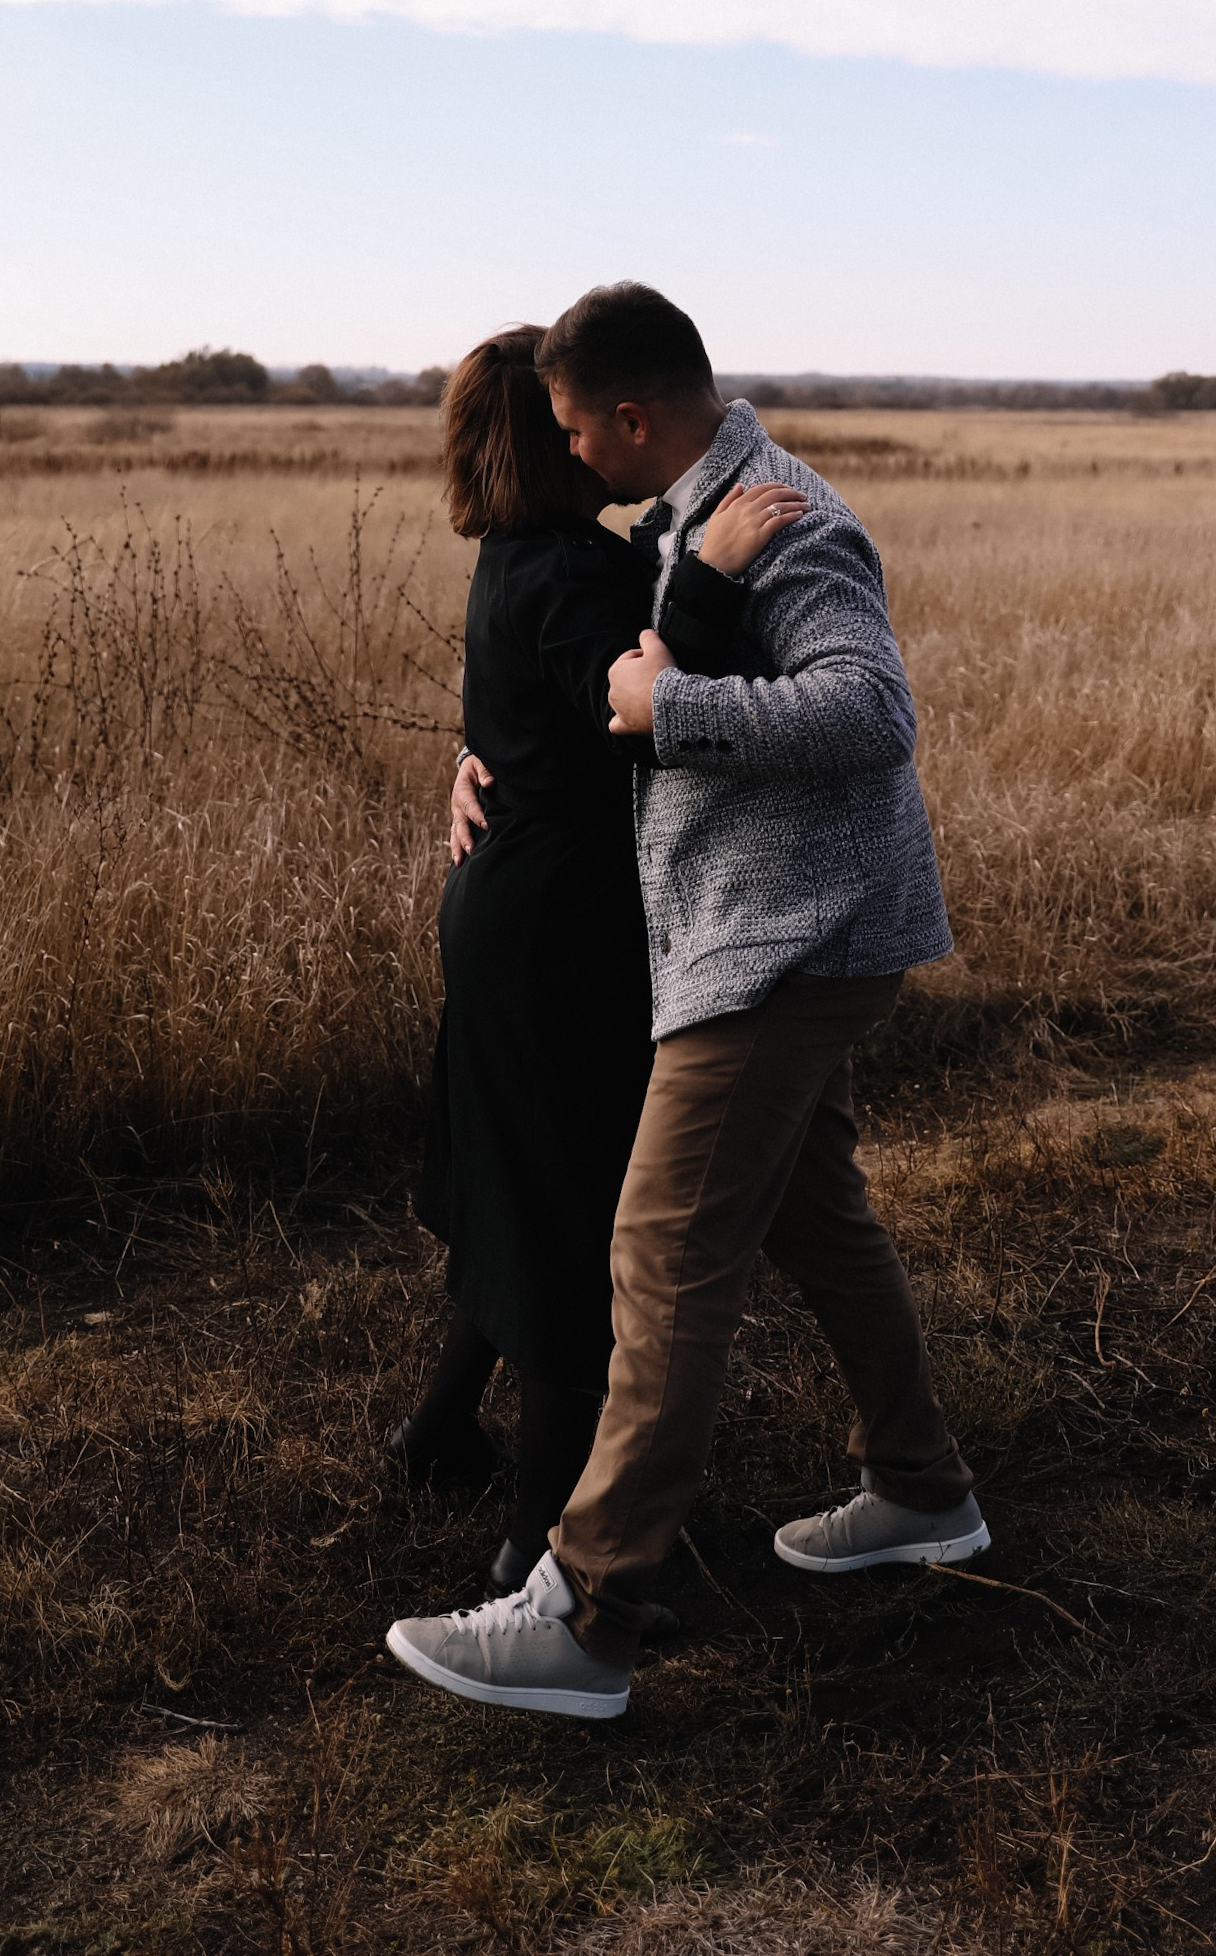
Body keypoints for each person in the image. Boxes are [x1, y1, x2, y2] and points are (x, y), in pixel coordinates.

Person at [386, 284, 985, 1721]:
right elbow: (587, 671)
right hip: (752, 933)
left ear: (632, 416)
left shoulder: (786, 515)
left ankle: (586, 1614)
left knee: (659, 1256)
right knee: (814, 1220)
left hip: (781, 945)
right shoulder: (676, 522)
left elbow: (870, 710)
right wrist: (493, 756)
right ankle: (921, 1490)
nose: (569, 449)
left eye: (578, 424)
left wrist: (676, 710)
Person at [389, 325, 807, 1599]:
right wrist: (715, 579)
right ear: (549, 437)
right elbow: (634, 705)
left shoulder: (520, 555)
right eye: (568, 416)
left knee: (517, 1179)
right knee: (581, 1223)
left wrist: (476, 762)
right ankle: (536, 1544)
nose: (593, 429)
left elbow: (530, 716)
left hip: (510, 898)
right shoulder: (574, 571)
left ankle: (435, 1432)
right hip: (560, 928)